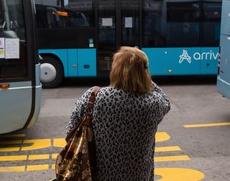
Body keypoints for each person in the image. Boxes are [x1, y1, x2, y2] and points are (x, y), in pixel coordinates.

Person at [66, 46, 171, 180]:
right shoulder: (153, 103)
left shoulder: (94, 97)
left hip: (100, 175)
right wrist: (143, 72)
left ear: (115, 70)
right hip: (139, 176)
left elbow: (70, 131)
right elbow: (166, 102)